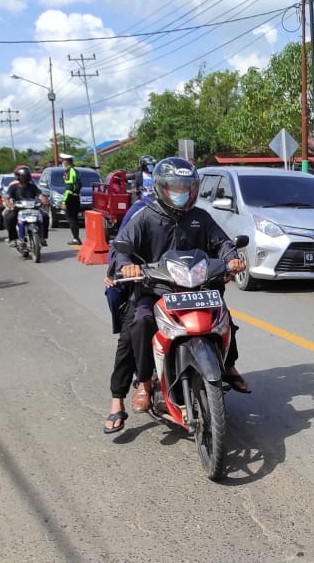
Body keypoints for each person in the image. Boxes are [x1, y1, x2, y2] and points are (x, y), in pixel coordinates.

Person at [106, 157, 249, 434]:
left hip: (196, 289)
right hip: (155, 289)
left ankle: (228, 366)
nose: (181, 192)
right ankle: (143, 385)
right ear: (162, 188)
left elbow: (223, 244)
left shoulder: (201, 217)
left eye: (186, 186)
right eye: (174, 187)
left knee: (223, 318)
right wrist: (127, 265)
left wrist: (232, 259)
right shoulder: (145, 215)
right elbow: (122, 248)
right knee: (138, 323)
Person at [2, 166, 50, 247]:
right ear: (18, 177)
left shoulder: (32, 186)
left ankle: (42, 237)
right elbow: (7, 196)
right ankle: (13, 239)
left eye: (26, 176)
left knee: (45, 216)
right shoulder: (13, 187)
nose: (24, 178)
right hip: (18, 209)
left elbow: (39, 195)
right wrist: (9, 204)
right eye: (22, 176)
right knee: (9, 218)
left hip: (33, 208)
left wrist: (43, 199)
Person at [60, 153, 82, 245]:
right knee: (74, 219)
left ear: (66, 161)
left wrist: (64, 202)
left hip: (71, 198)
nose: (62, 162)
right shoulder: (75, 171)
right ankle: (76, 238)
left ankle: (76, 238)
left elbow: (68, 188)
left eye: (63, 160)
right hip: (76, 197)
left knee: (71, 219)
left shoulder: (69, 172)